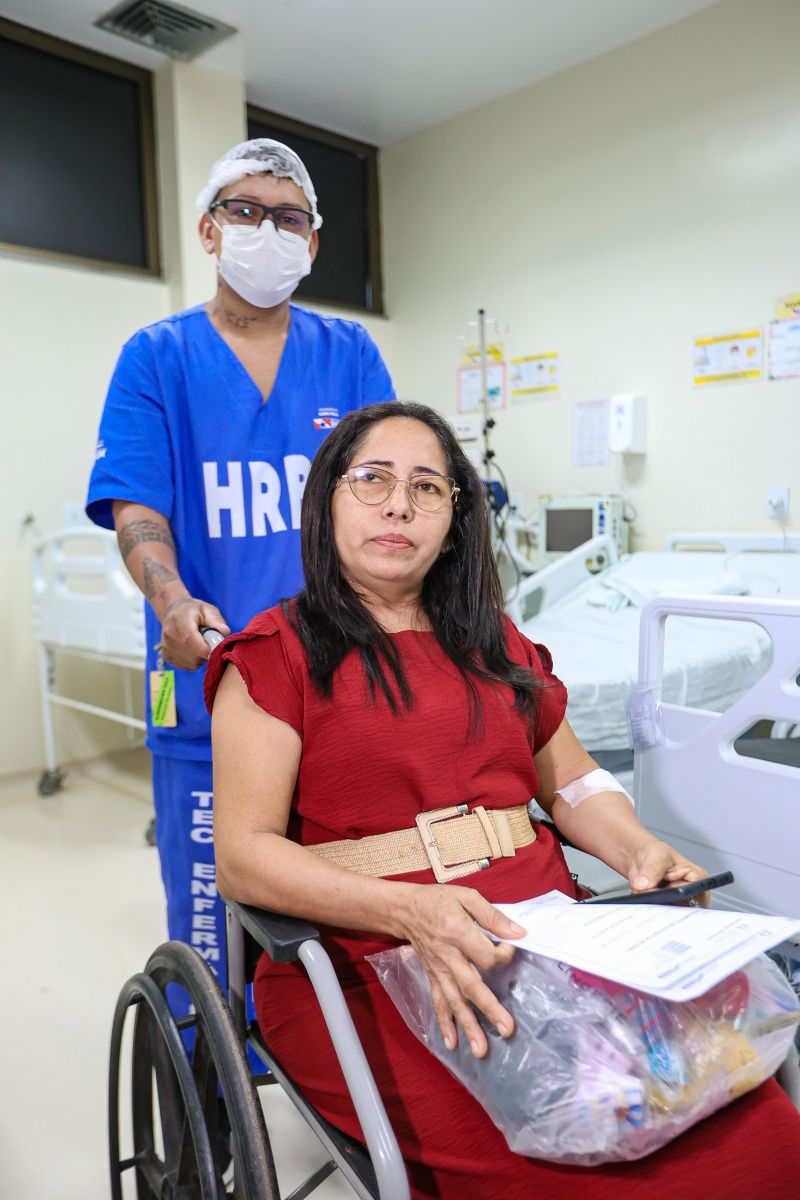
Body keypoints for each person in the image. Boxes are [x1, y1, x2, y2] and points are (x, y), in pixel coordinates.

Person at [205, 400, 800, 1199]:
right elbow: (244, 857)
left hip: (556, 947)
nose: (400, 505)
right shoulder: (273, 656)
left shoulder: (496, 644)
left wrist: (637, 849)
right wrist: (410, 910)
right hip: (369, 967)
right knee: (560, 1173)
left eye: (427, 487)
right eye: (373, 480)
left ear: (453, 523)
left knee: (757, 1130)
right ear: (327, 502)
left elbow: (575, 782)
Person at [85, 138, 394, 995]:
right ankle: (208, 1052)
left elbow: (385, 490)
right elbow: (137, 506)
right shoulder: (158, 356)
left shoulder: (349, 353)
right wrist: (172, 600)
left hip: (336, 679)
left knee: (333, 904)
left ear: (313, 241)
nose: (267, 230)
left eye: (289, 217)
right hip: (204, 678)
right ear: (209, 231)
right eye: (245, 211)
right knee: (212, 921)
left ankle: (311, 1050)